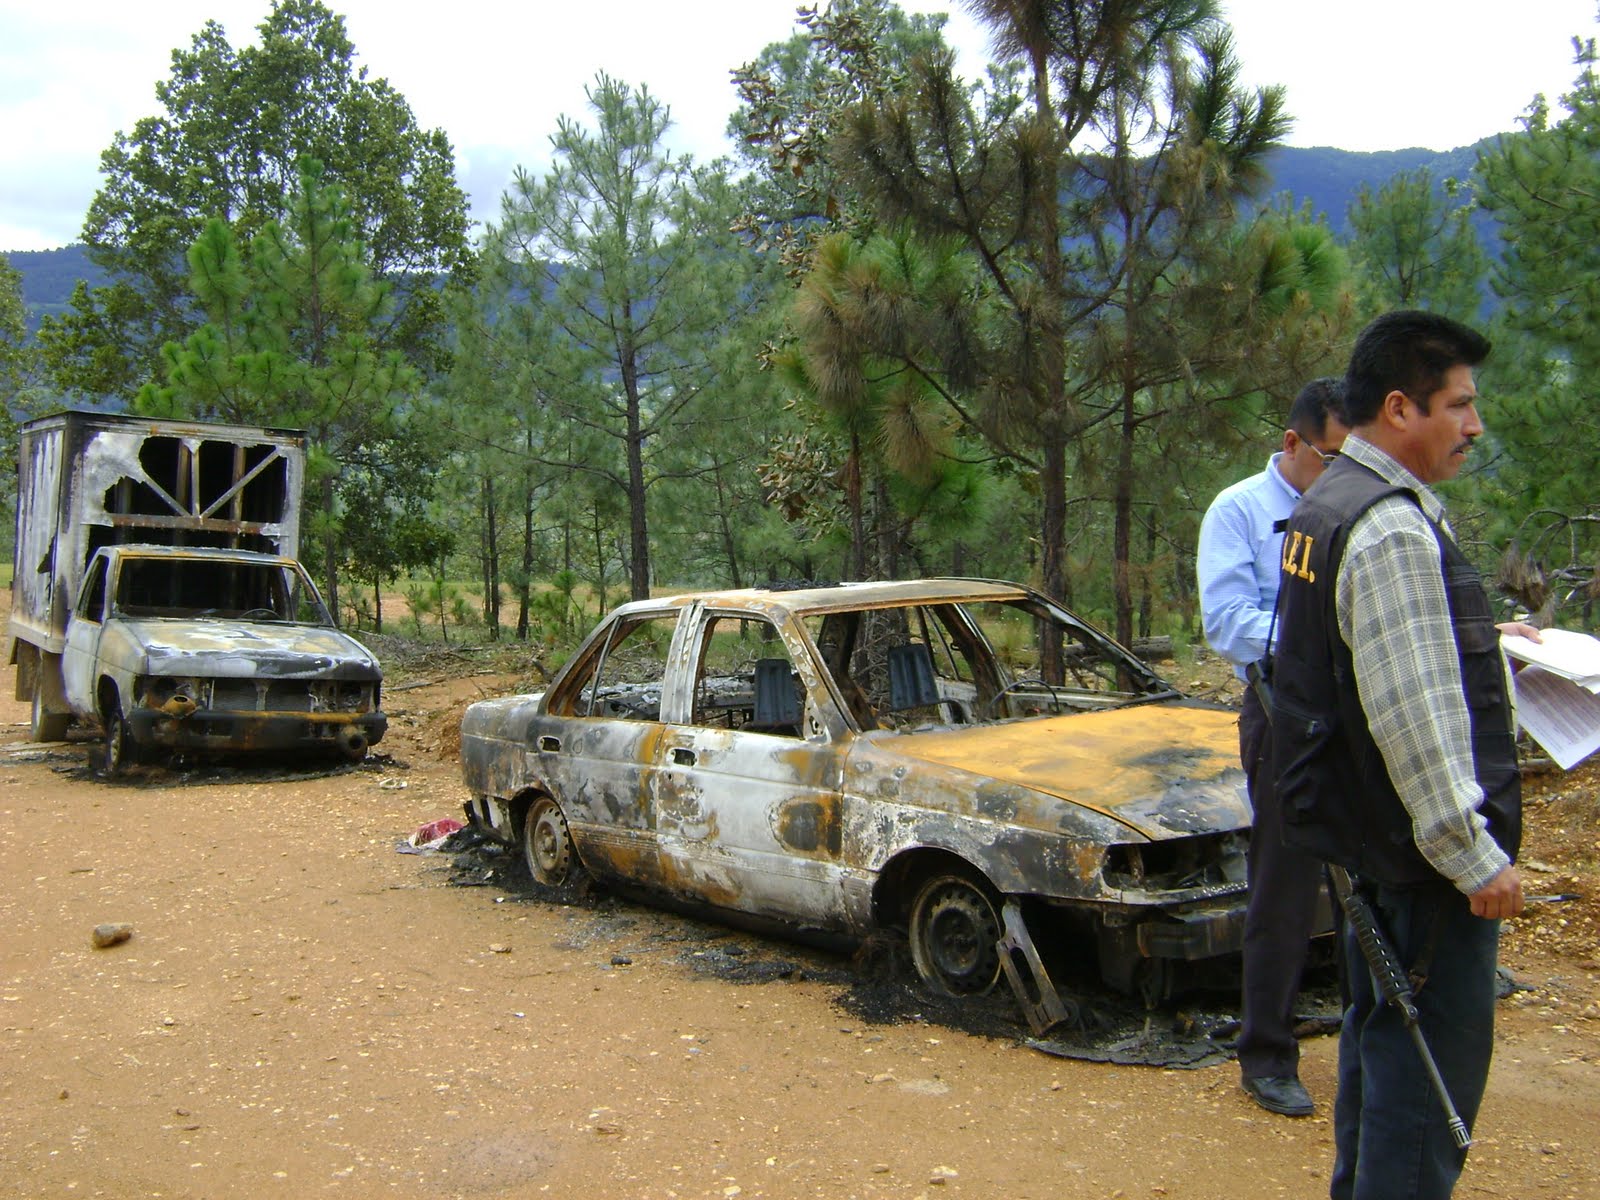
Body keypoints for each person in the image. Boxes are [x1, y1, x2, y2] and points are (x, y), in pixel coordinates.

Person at [1270, 310, 1534, 1199]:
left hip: (1369, 846)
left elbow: (1365, 661)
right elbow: (1409, 717)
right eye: (1459, 405)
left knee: (1379, 1049)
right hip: (1423, 866)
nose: (1475, 425)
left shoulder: (1329, 503)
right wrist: (1473, 856)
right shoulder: (1388, 529)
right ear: (1398, 408)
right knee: (1422, 1096)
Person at [1197, 378, 1349, 1117]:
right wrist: (1322, 640)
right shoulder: (1241, 511)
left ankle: (1371, 1039)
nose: (1342, 476)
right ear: (1293, 444)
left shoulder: (1360, 511)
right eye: (1331, 458)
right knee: (1285, 888)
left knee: (1371, 880)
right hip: (1279, 710)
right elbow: (1227, 623)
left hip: (1360, 710)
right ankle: (1267, 1056)